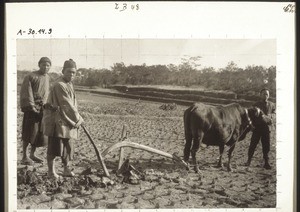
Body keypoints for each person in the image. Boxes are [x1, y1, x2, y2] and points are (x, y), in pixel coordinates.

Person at [42, 59, 84, 179]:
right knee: (54, 146)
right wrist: (78, 119)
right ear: (63, 71)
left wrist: (76, 119)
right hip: (57, 120)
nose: (71, 74)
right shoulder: (59, 84)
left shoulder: (69, 84)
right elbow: (67, 105)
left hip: (67, 121)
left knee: (68, 145)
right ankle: (51, 172)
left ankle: (66, 169)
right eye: (69, 72)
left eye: (73, 73)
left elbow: (72, 104)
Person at [20, 57, 51, 165]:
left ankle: (33, 154)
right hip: (31, 109)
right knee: (28, 132)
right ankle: (24, 156)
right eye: (43, 65)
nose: (46, 67)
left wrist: (47, 106)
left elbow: (47, 93)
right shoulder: (30, 76)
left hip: (42, 110)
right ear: (39, 65)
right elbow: (26, 92)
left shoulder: (47, 77)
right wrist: (32, 107)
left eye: (48, 65)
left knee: (38, 133)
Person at [246, 88, 276, 169]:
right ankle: (248, 160)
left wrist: (271, 116)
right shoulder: (256, 104)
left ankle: (266, 162)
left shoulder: (272, 105)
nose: (265, 96)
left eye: (267, 94)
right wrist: (251, 125)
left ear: (269, 95)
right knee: (253, 144)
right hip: (257, 128)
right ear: (260, 95)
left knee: (266, 146)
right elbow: (250, 116)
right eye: (264, 94)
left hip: (267, 129)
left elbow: (274, 113)